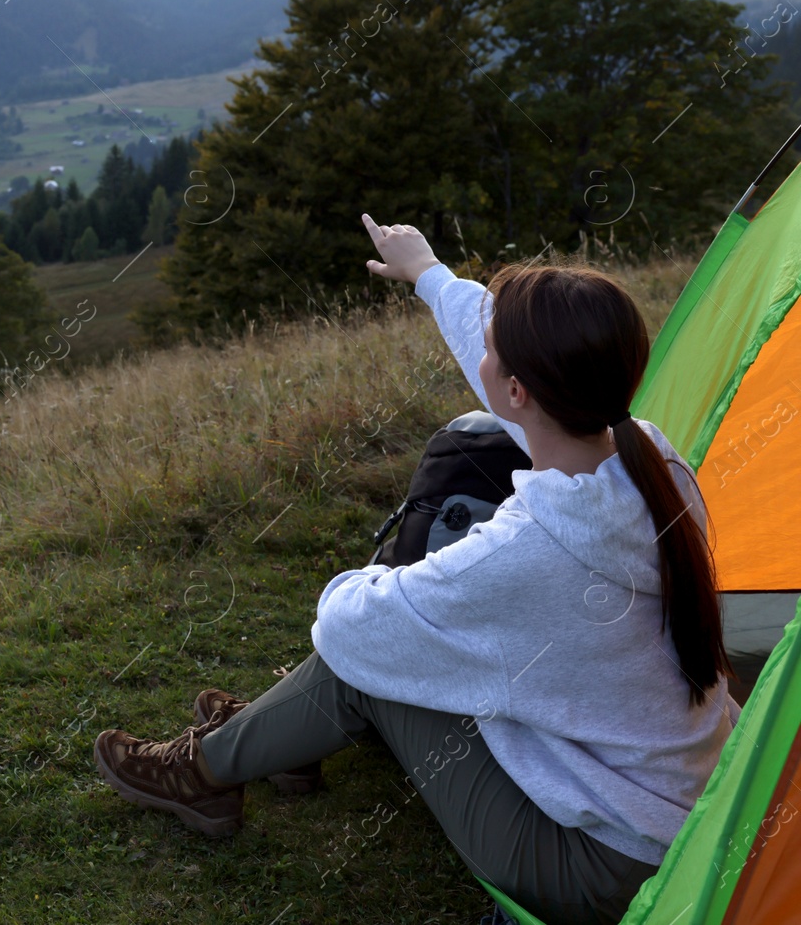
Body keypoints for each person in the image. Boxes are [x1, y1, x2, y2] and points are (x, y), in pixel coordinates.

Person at [93, 215, 739, 925]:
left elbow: (349, 629)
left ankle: (202, 772)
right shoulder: (648, 456)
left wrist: (375, 579)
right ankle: (275, 743)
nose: (482, 353)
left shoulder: (528, 552)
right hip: (688, 804)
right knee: (402, 635)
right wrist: (428, 273)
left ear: (521, 390)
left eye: (495, 351)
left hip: (606, 868)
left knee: (364, 658)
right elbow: (505, 355)